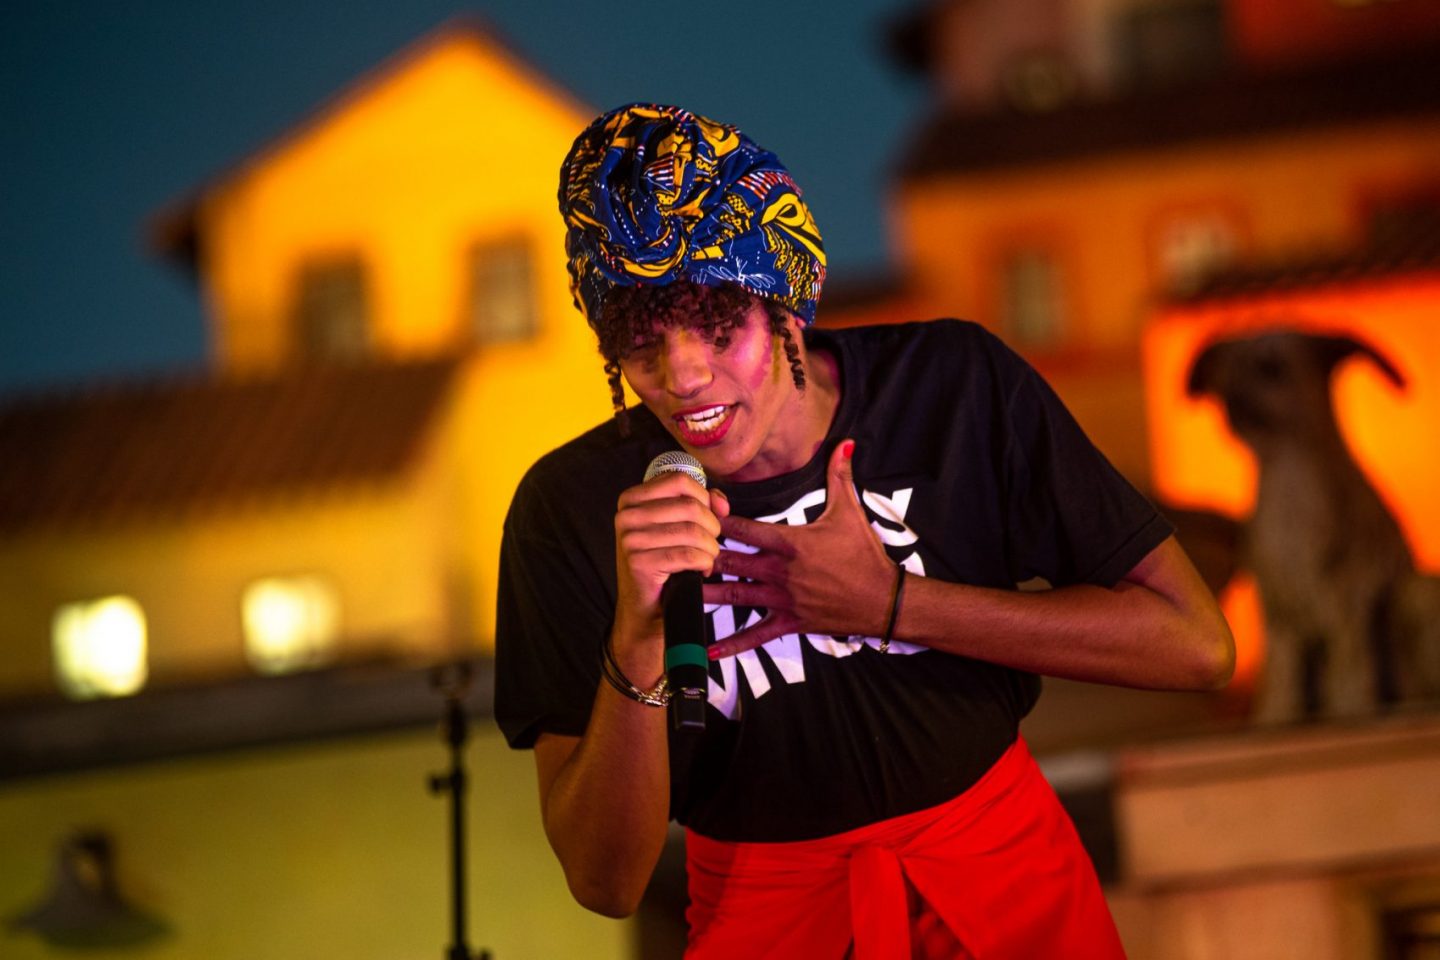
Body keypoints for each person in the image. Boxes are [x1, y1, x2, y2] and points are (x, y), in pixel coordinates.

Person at [494, 103, 1235, 958]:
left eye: (718, 327)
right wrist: (638, 640)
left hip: (1014, 899)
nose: (684, 376)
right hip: (766, 926)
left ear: (787, 304)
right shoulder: (571, 511)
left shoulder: (952, 389)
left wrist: (894, 605)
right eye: (641, 344)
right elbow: (604, 883)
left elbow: (1195, 645)